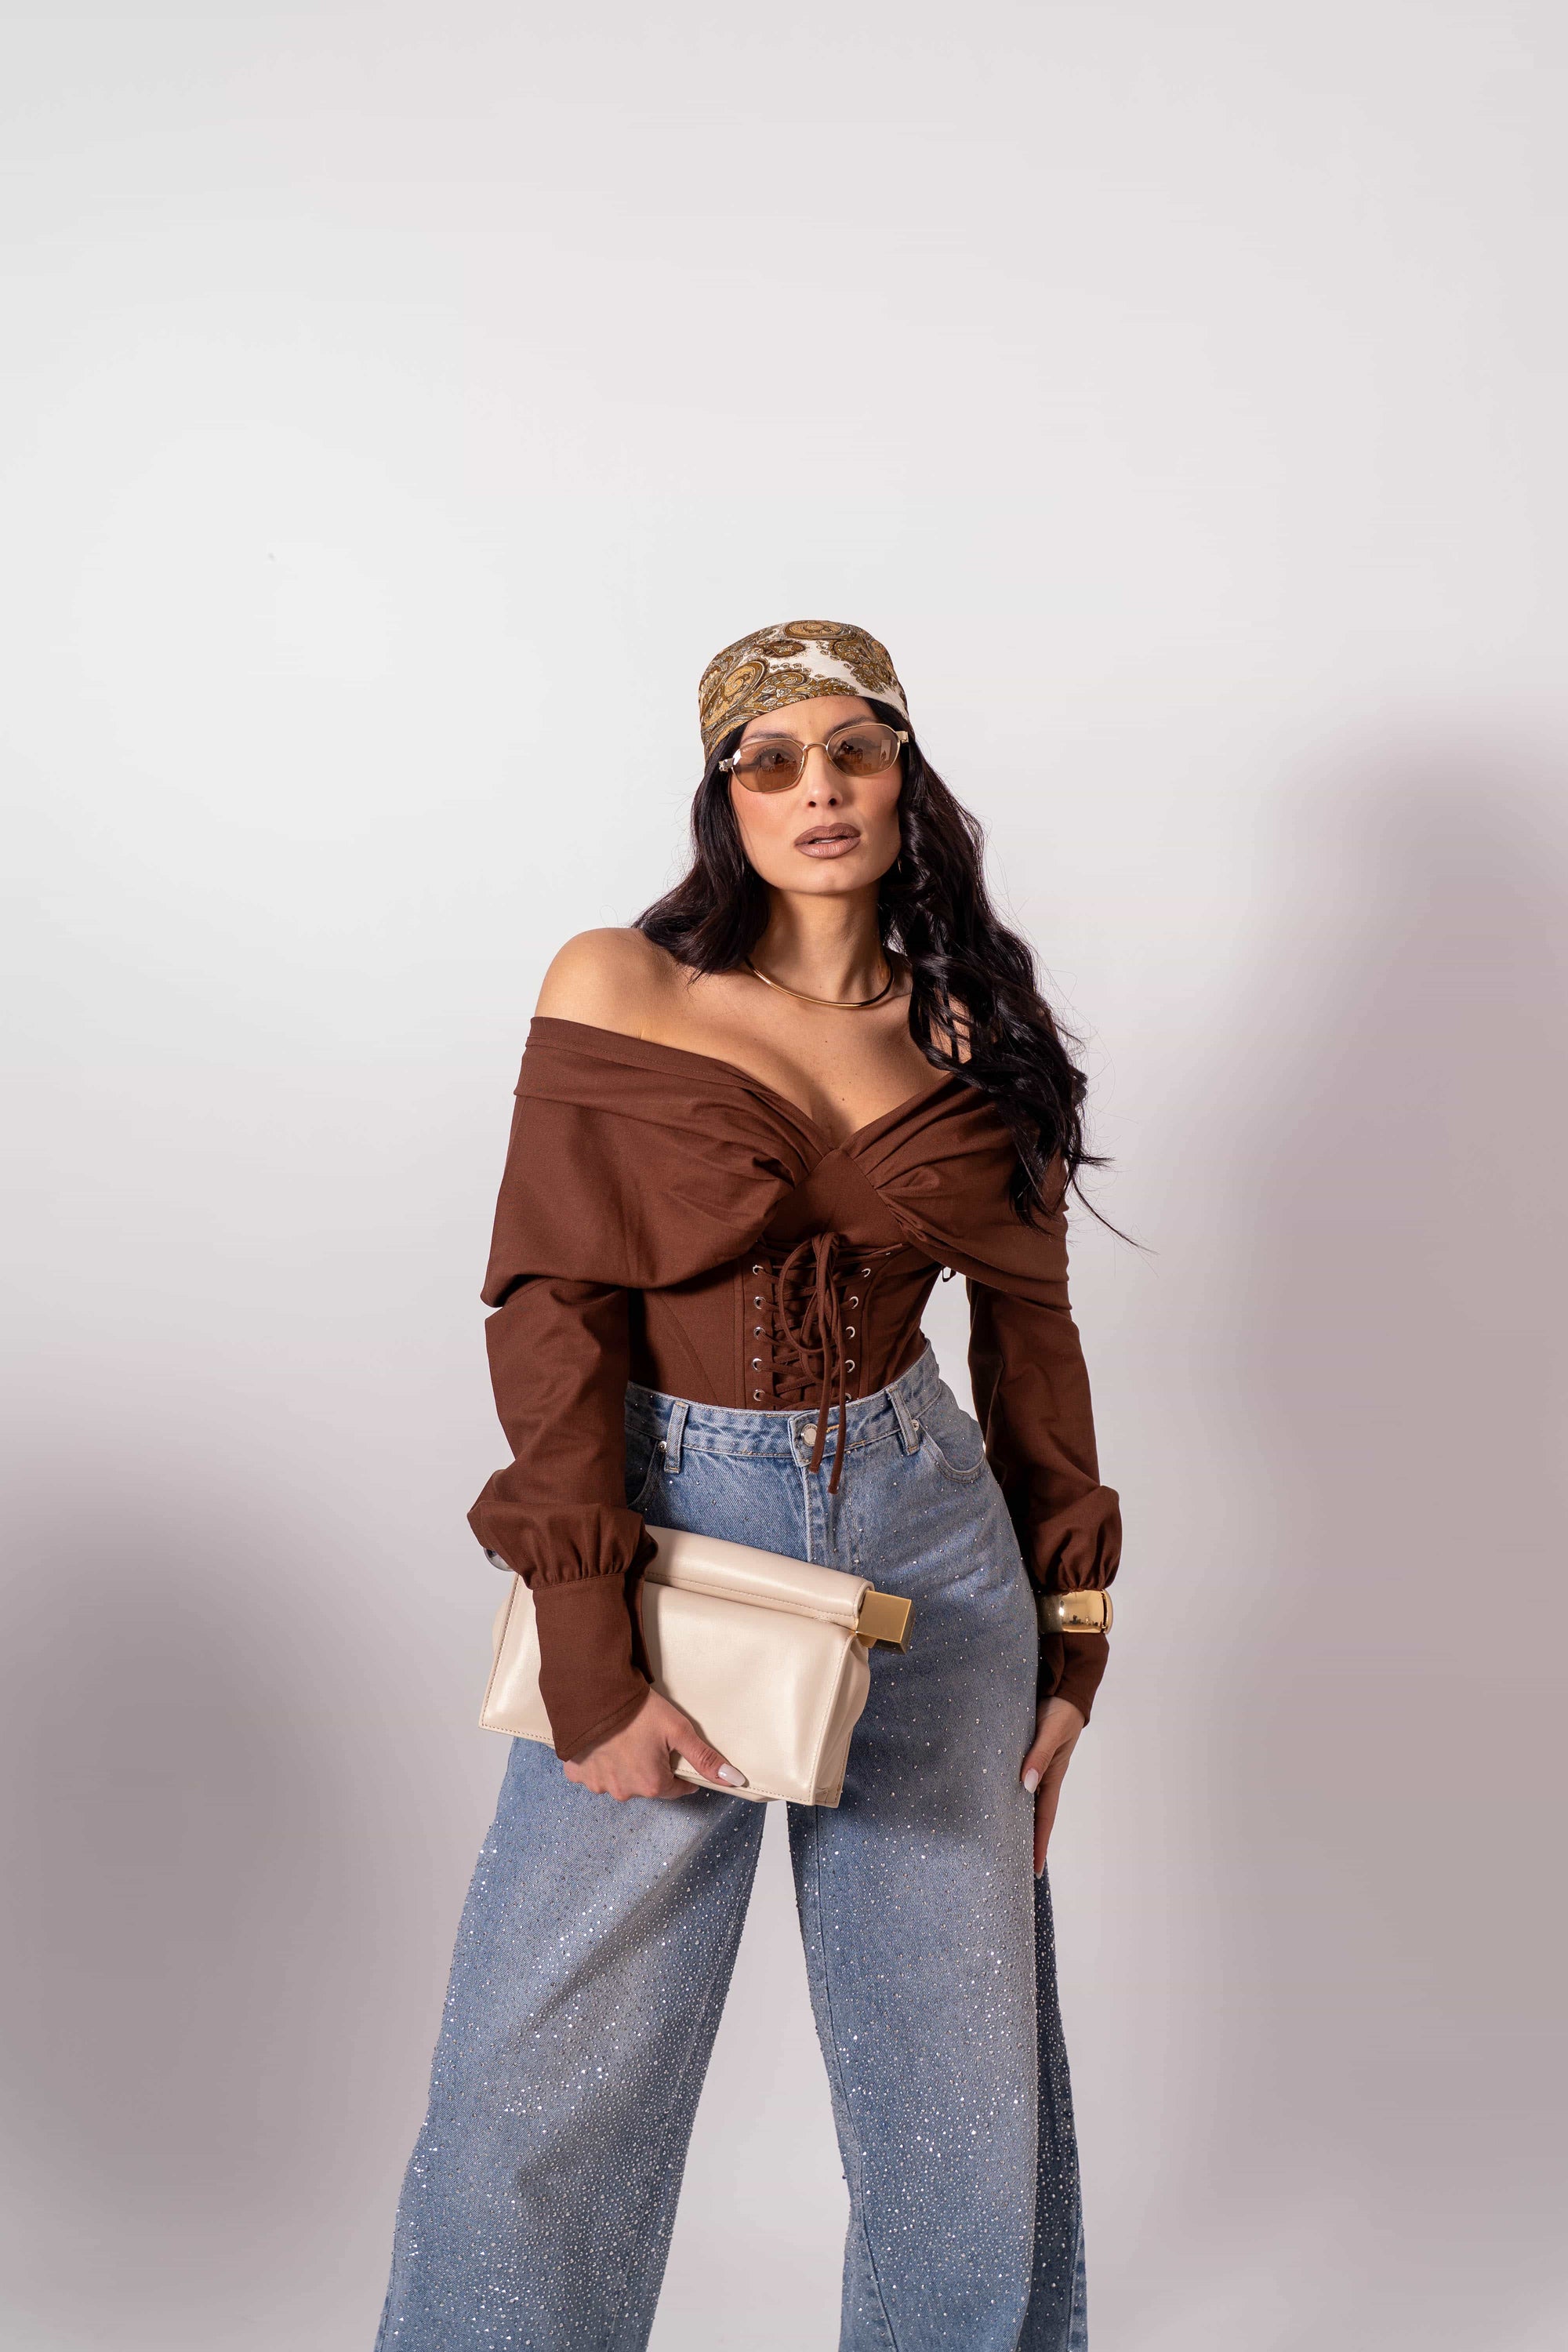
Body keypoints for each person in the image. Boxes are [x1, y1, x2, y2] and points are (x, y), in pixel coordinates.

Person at [374, 619, 1121, 2352]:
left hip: (935, 1544)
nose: (818, 790)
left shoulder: (972, 1028)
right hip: (674, 1533)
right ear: (726, 800)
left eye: (852, 751)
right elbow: (553, 1314)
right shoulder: (620, 984)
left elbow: (1034, 1345)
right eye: (769, 762)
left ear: (903, 776)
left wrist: (1074, 1637)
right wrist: (588, 1655)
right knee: (541, 2081)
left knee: (958, 2102)